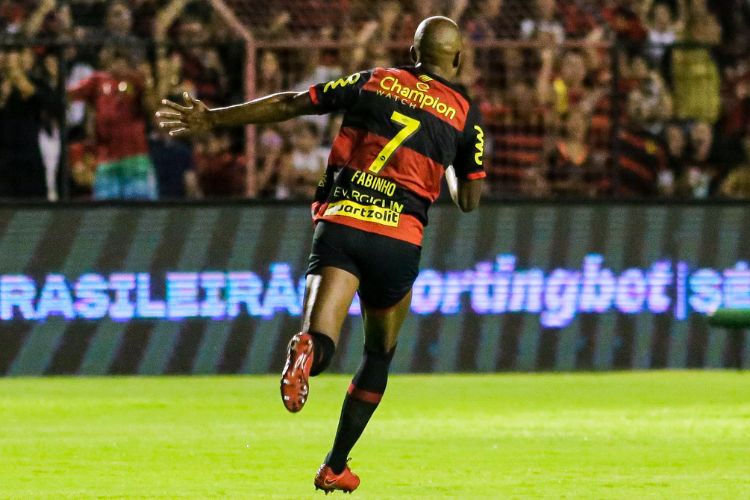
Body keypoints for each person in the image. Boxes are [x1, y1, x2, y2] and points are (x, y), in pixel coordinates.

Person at [156, 16, 484, 494]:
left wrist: (212, 118)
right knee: (378, 353)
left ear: (413, 52)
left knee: (321, 337)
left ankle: (307, 349)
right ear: (456, 58)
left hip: (343, 222)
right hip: (398, 238)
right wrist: (452, 160)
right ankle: (335, 464)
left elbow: (292, 104)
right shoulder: (462, 113)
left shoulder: (375, 80)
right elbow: (468, 201)